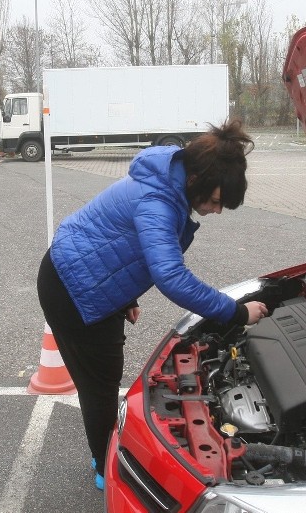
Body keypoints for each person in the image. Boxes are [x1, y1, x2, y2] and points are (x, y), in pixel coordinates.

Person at [36, 120, 269, 490]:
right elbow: (171, 276)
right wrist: (237, 311)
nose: (216, 210)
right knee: (100, 385)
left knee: (101, 379)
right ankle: (104, 466)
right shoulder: (158, 201)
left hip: (87, 280)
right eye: (214, 201)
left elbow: (126, 245)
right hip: (72, 289)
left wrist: (126, 295)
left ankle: (104, 451)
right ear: (194, 180)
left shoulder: (168, 183)